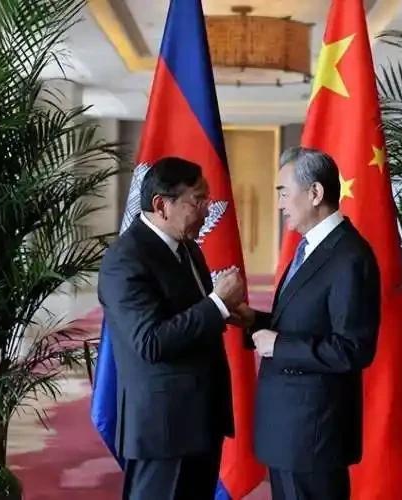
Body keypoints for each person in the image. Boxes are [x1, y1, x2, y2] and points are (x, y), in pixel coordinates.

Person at [238, 147, 381, 500]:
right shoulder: (311, 248)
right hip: (292, 431)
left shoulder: (349, 256)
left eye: (284, 193)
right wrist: (254, 321)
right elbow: (306, 321)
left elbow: (353, 349)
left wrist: (279, 345)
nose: (280, 204)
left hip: (314, 435)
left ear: (315, 193)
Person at [98, 157, 245, 500]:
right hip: (163, 428)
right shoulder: (125, 259)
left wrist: (227, 312)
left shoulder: (188, 248)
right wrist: (217, 304)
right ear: (162, 205)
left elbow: (190, 317)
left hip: (201, 417)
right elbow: (150, 342)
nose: (208, 209)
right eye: (198, 200)